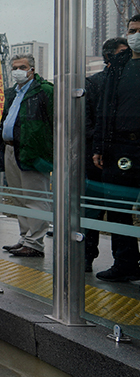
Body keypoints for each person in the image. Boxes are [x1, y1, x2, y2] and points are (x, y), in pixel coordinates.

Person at [91, 15, 140, 282]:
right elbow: (104, 110)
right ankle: (125, 263)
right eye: (132, 30)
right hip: (120, 147)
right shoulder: (118, 66)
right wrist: (99, 146)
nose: (135, 35)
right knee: (118, 209)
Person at [0, 55, 54, 257]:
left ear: (32, 70)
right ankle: (25, 238)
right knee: (19, 197)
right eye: (14, 68)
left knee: (35, 198)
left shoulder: (44, 91)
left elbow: (55, 122)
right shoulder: (12, 93)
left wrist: (46, 150)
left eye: (22, 67)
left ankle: (35, 243)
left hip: (32, 151)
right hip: (11, 149)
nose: (17, 71)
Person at [84, 38, 128, 272]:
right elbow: (87, 123)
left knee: (119, 212)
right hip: (98, 157)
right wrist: (104, 142)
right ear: (109, 56)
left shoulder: (129, 79)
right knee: (93, 208)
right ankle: (86, 256)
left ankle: (124, 261)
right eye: (123, 52)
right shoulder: (94, 83)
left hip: (122, 156)